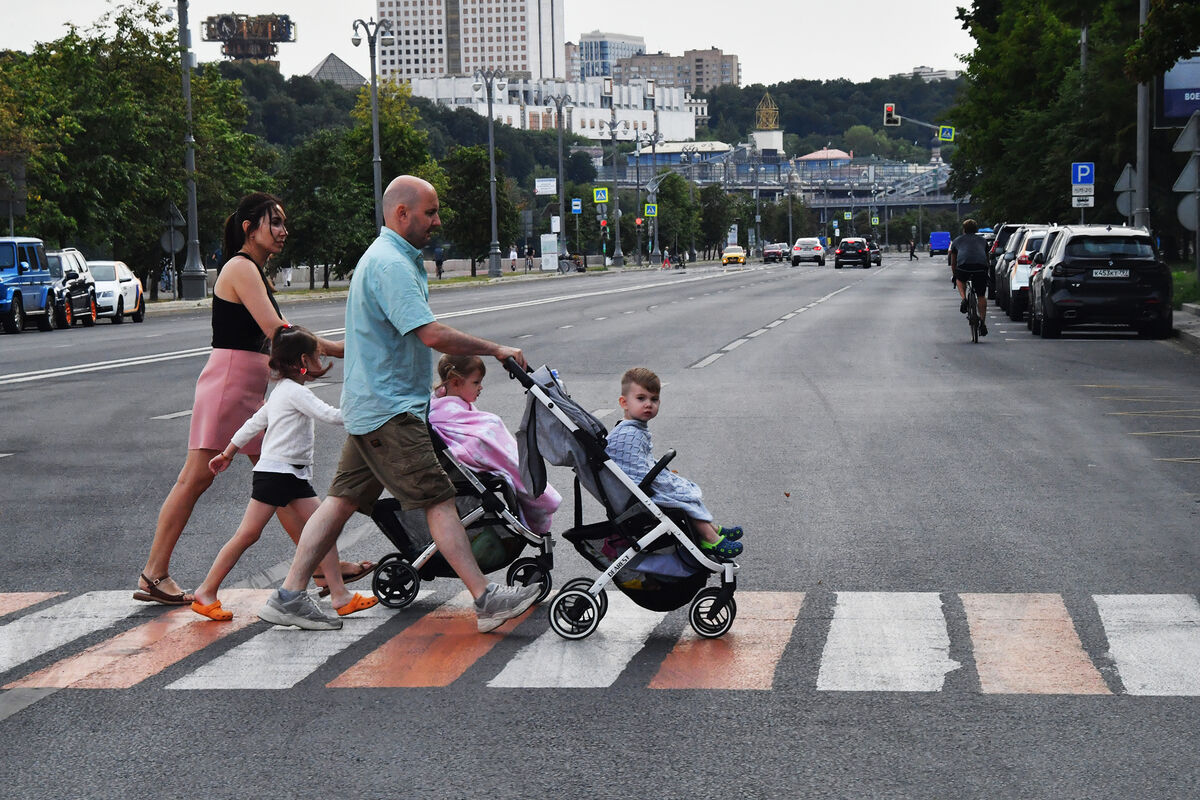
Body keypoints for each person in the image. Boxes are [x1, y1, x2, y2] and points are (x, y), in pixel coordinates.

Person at [258, 175, 540, 632]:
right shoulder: (390, 264)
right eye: (430, 211)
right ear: (401, 213)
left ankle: (289, 595)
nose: (438, 220)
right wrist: (496, 349)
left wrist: (326, 349)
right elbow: (429, 334)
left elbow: (372, 338)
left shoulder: (389, 259)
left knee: (340, 503)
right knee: (439, 498)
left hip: (373, 408)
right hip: (390, 411)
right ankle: (486, 600)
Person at [134, 192, 358, 607]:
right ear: (248, 228)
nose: (283, 230)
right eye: (274, 222)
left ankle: (327, 569)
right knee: (197, 479)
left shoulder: (253, 270)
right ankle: (154, 572)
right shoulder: (240, 267)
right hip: (230, 386)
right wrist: (343, 349)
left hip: (244, 386)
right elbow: (278, 331)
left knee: (282, 481)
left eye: (283, 222)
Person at [191, 325, 377, 621]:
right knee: (250, 534)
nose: (320, 360)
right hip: (279, 474)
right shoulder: (294, 393)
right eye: (316, 356)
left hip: (288, 474)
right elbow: (329, 415)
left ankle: (340, 596)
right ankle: (206, 591)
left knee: (323, 529)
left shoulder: (282, 391)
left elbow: (254, 423)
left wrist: (228, 452)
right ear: (302, 361)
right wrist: (368, 412)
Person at [605, 367, 744, 559]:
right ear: (624, 402)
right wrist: (665, 482)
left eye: (654, 399)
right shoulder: (628, 435)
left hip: (638, 490)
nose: (648, 404)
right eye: (641, 398)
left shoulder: (633, 428)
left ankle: (713, 529)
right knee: (681, 497)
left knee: (681, 488)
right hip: (635, 496)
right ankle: (710, 538)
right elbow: (635, 472)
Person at [429, 354, 561, 535]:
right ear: (455, 382)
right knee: (493, 427)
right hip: (473, 457)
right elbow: (473, 440)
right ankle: (540, 497)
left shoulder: (438, 405)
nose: (480, 387)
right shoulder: (444, 412)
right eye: (476, 383)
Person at [949, 218, 990, 337]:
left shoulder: (957, 241)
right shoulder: (983, 241)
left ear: (964, 229)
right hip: (980, 268)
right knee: (981, 295)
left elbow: (953, 262)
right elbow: (986, 259)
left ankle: (963, 299)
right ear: (976, 229)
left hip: (964, 267)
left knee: (960, 279)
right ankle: (982, 321)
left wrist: (954, 274)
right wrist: (986, 271)